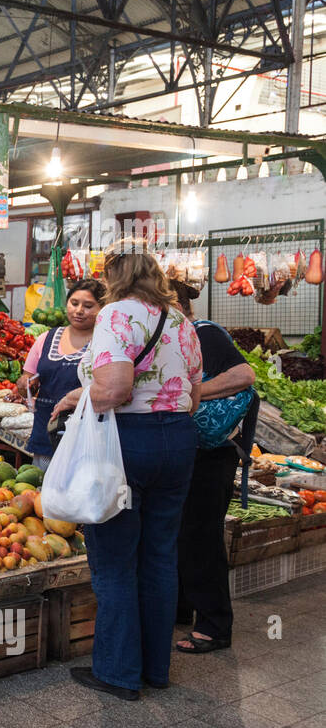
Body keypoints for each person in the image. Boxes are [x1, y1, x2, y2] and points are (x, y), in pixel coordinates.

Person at [51, 246, 203, 701]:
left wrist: (80, 403)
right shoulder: (181, 321)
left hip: (126, 444)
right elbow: (194, 395)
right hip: (177, 440)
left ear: (115, 279)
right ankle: (156, 669)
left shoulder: (116, 314)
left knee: (115, 559)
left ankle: (118, 672)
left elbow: (115, 388)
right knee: (159, 556)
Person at [169, 279, 255, 654]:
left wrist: (194, 392)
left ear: (178, 304)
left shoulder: (204, 334)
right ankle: (182, 608)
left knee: (201, 535)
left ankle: (215, 626)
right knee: (183, 532)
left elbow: (244, 376)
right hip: (191, 449)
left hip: (214, 453)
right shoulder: (174, 338)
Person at [16, 279, 106, 469]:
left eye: (88, 306)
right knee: (41, 490)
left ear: (102, 309)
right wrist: (25, 384)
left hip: (85, 435)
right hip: (46, 430)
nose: (79, 310)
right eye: (74, 303)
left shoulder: (105, 341)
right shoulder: (46, 338)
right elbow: (26, 381)